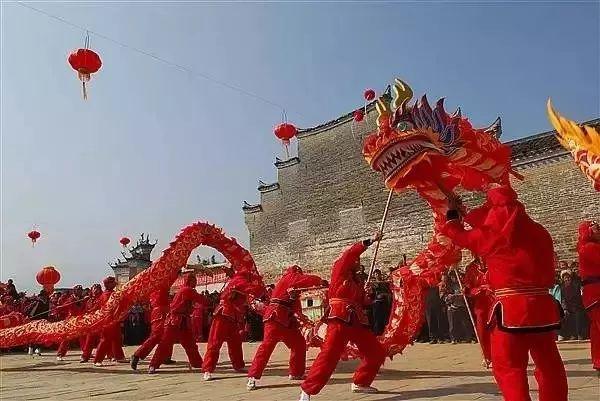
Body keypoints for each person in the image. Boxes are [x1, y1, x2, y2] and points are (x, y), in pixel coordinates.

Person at [443, 184, 567, 401]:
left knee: (509, 368)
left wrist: (452, 214)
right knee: (549, 364)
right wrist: (464, 209)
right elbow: (486, 222)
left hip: (511, 310)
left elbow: (459, 235)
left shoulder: (494, 236)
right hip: (542, 308)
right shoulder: (540, 231)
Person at [299, 232, 387, 401]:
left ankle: (361, 382)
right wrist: (370, 241)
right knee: (330, 355)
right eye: (356, 260)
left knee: (376, 352)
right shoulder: (339, 269)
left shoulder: (356, 281)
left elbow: (363, 302)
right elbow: (350, 253)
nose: (358, 263)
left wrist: (366, 294)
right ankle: (307, 389)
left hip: (357, 322)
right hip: (339, 318)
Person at [247, 265, 323, 390]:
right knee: (266, 347)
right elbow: (309, 279)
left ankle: (296, 373)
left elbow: (296, 308)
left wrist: (304, 319)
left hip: (285, 321)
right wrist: (320, 281)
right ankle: (253, 377)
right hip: (275, 318)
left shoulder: (290, 287)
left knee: (298, 344)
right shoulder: (290, 277)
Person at [202, 271, 265, 380]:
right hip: (223, 315)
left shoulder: (239, 281)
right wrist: (262, 288)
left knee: (235, 343)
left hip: (233, 317)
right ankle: (208, 369)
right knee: (215, 343)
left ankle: (238, 365)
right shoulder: (240, 281)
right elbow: (255, 291)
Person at [148, 273, 208, 374]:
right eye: (194, 280)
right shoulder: (187, 290)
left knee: (190, 344)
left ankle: (197, 363)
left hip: (183, 320)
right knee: (165, 343)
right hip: (174, 320)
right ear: (190, 281)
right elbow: (202, 301)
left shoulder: (184, 290)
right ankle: (153, 364)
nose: (196, 283)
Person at [131, 287, 174, 370]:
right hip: (160, 313)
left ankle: (166, 357)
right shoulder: (158, 285)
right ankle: (137, 355)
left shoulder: (157, 285)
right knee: (157, 336)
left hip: (163, 311)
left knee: (168, 336)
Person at [578, 220, 600, 370]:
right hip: (596, 291)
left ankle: (598, 359)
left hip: (593, 291)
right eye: (597, 228)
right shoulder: (589, 248)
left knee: (596, 329)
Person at [463, 257, 493, 366]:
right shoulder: (471, 268)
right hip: (481, 304)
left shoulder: (494, 263)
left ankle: (500, 355)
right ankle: (487, 356)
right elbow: (468, 289)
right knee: (482, 331)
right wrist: (480, 289)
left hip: (496, 302)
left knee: (497, 331)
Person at [93, 277, 127, 366]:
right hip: (108, 320)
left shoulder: (112, 293)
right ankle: (98, 360)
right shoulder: (106, 295)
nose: (115, 284)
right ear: (108, 284)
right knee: (105, 340)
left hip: (114, 320)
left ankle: (119, 357)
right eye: (112, 283)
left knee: (117, 339)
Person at [56, 285, 87, 361]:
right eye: (78, 290)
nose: (80, 291)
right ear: (75, 291)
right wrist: (59, 308)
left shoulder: (82, 299)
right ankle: (60, 354)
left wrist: (84, 300)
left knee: (83, 337)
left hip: (80, 320)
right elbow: (64, 307)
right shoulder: (71, 299)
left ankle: (86, 353)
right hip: (71, 320)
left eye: (81, 290)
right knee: (66, 337)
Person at [559, 270, 587, 340]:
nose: (567, 279)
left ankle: (579, 334)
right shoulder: (562, 288)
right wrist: (564, 308)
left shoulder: (576, 285)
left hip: (578, 306)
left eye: (568, 277)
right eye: (565, 278)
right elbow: (563, 300)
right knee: (563, 315)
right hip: (568, 308)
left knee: (578, 314)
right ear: (563, 279)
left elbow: (580, 297)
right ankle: (565, 335)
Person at [80, 284, 103, 362]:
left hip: (100, 322)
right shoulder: (88, 301)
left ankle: (111, 355)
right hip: (91, 323)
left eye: (98, 289)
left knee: (105, 339)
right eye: (94, 289)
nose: (96, 290)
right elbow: (85, 310)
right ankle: (85, 356)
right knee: (89, 340)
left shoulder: (102, 299)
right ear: (92, 290)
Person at [26, 289, 50, 356]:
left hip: (43, 320)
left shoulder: (47, 302)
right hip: (35, 320)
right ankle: (30, 348)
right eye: (44, 295)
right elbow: (32, 312)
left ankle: (38, 349)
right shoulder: (38, 302)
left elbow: (47, 312)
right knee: (34, 335)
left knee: (41, 335)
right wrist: (31, 318)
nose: (45, 296)